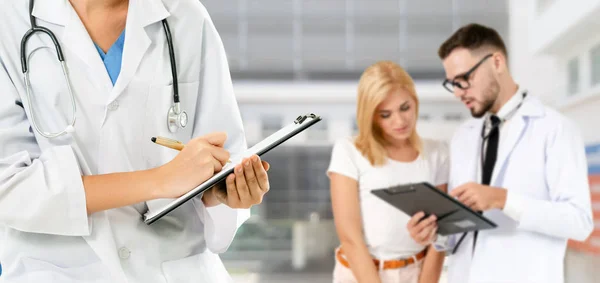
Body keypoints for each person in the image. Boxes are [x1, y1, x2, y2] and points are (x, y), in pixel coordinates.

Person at [0, 0, 271, 282]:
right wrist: (161, 180)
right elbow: (9, 187)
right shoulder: (8, 21)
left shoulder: (184, 16)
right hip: (60, 269)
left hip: (177, 269)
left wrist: (219, 191)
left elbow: (221, 152)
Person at [406, 23, 594, 283]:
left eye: (464, 79)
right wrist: (434, 235)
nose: (459, 93)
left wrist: (503, 199)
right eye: (453, 84)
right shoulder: (463, 137)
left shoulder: (555, 129)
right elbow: (464, 234)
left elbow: (579, 222)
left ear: (497, 62)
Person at [327, 61, 448, 283]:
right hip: (359, 274)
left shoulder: (436, 153)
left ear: (415, 102)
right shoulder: (349, 151)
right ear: (371, 115)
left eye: (405, 107)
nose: (400, 121)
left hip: (418, 272)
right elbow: (350, 237)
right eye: (385, 114)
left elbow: (442, 232)